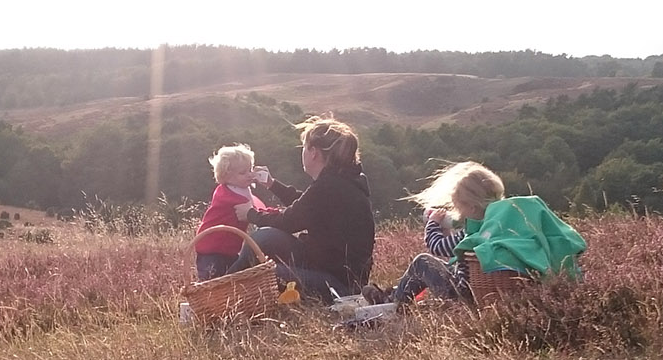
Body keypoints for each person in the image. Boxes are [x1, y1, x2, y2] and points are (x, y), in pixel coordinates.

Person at [387, 161, 586, 305]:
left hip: (462, 292)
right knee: (433, 267)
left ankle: (395, 301)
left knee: (422, 262)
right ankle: (396, 292)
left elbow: (436, 246)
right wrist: (446, 231)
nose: (459, 214)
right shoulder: (498, 229)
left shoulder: (472, 234)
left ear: (472, 208)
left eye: (459, 208)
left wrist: (432, 224)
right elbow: (455, 251)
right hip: (478, 290)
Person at [230, 114, 376, 303]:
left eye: (304, 148)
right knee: (264, 237)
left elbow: (288, 222)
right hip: (332, 272)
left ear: (313, 152)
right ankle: (224, 286)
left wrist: (251, 214)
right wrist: (272, 184)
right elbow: (307, 205)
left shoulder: (329, 186)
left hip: (337, 286)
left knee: (263, 274)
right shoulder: (343, 182)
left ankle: (219, 293)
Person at [192, 143, 268, 281]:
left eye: (250, 169)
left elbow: (256, 205)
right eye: (242, 172)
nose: (249, 175)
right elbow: (255, 209)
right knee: (213, 281)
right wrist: (272, 214)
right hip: (212, 248)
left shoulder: (241, 190)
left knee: (229, 280)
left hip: (229, 248)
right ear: (226, 176)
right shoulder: (228, 195)